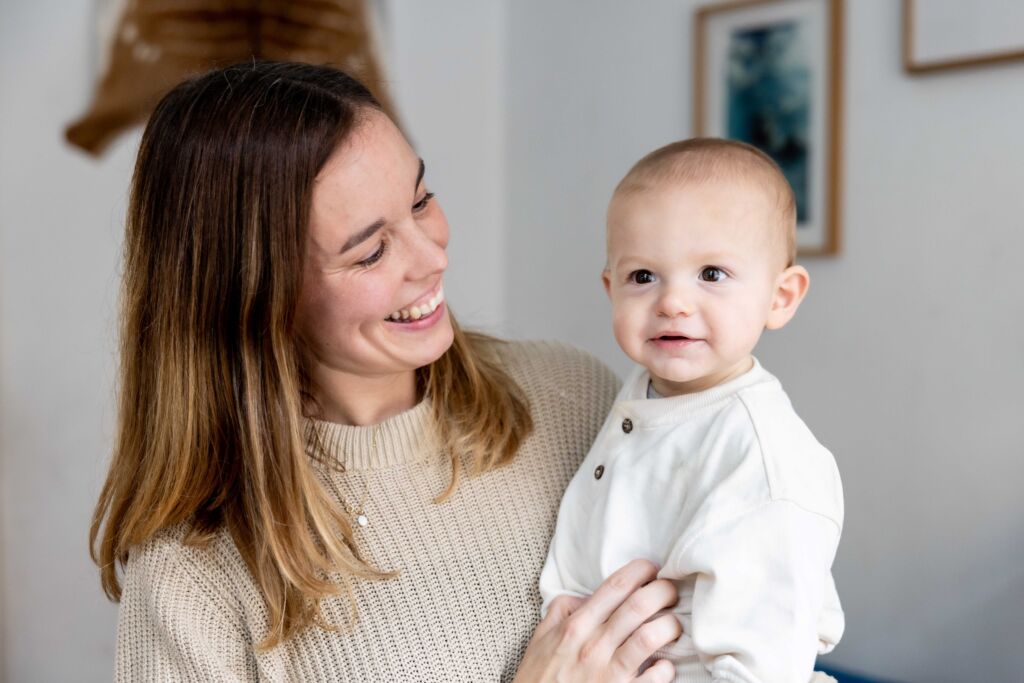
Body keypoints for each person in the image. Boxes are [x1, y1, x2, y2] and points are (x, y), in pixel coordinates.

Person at [90, 60, 686, 682]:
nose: (432, 259)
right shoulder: (193, 579)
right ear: (255, 298)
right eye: (371, 251)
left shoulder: (574, 397)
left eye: (421, 200)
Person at [539, 138, 845, 682]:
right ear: (611, 289)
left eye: (711, 274)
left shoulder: (763, 459)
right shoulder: (643, 393)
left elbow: (765, 666)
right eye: (643, 277)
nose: (673, 301)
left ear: (781, 297)